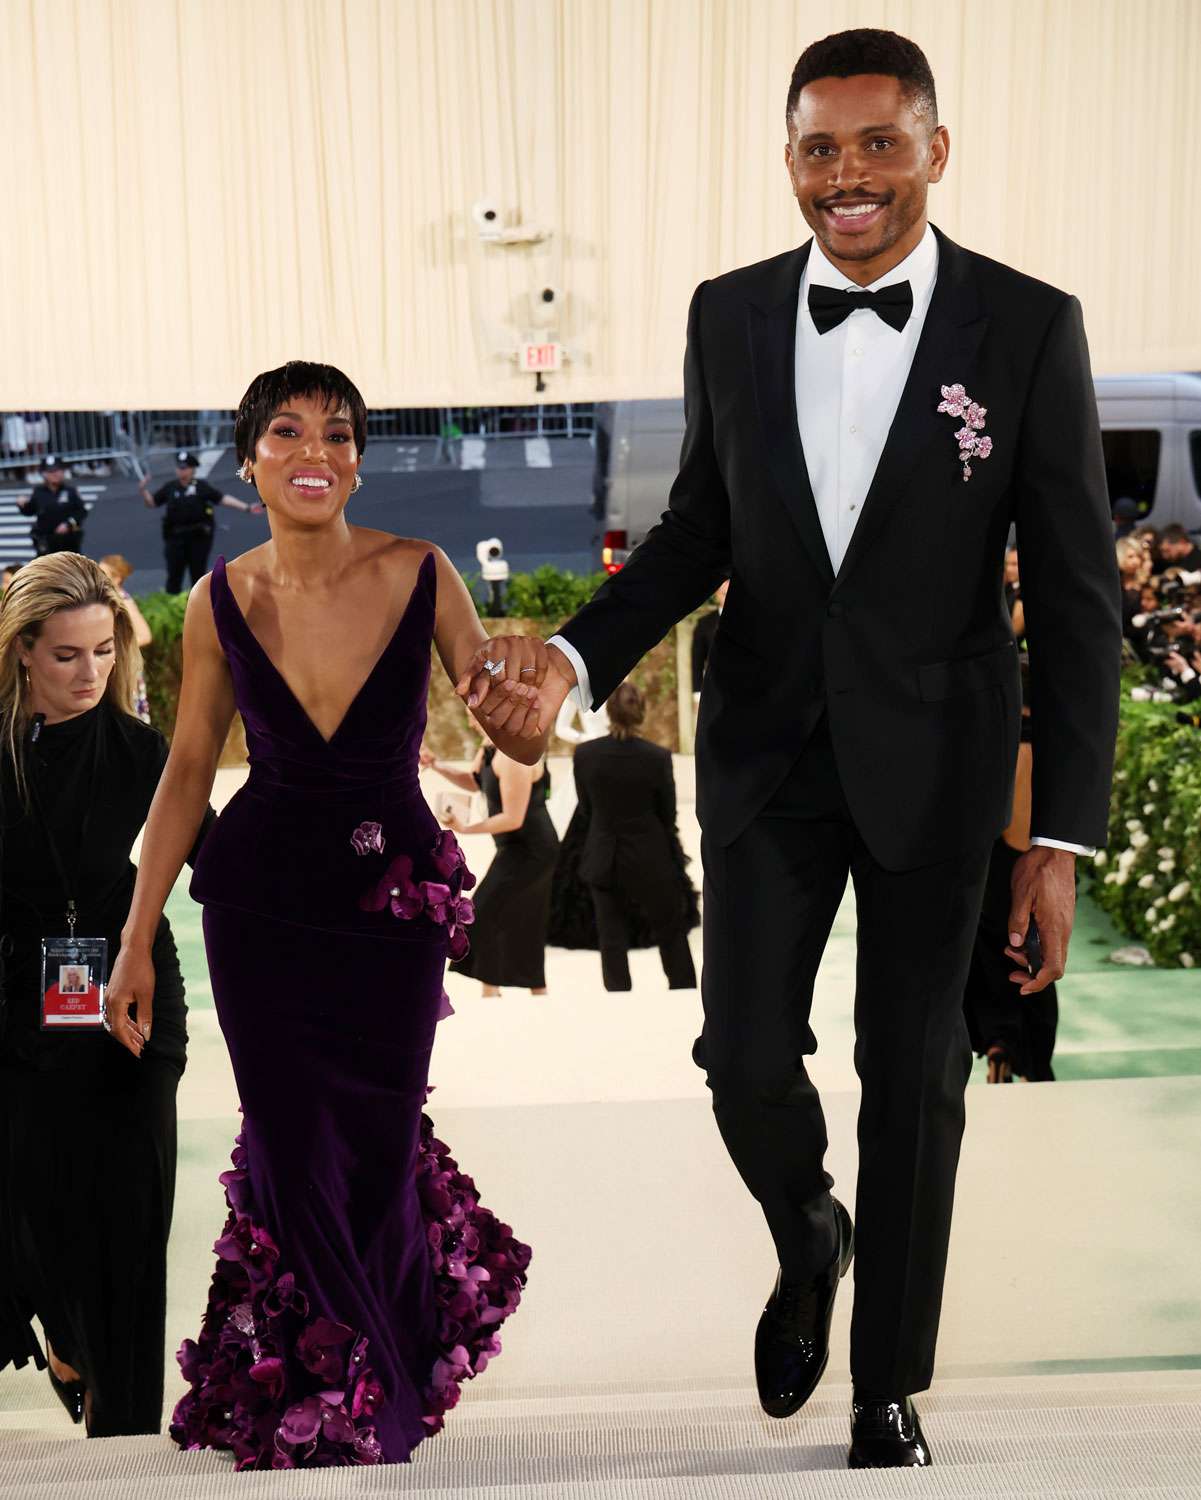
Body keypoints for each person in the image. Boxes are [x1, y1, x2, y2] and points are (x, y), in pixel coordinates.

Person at [460, 29, 1121, 1470]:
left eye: (879, 143)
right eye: (819, 148)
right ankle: (808, 1226)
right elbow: (698, 529)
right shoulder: (730, 314)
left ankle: (887, 1387)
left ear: (935, 151)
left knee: (917, 1068)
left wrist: (1057, 841)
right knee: (741, 1050)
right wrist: (573, 655)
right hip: (764, 750)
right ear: (789, 161)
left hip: (942, 764)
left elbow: (1078, 601)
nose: (848, 176)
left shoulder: (1025, 326)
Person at [104, 362, 531, 1470]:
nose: (315, 451)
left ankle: (376, 1372)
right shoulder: (215, 600)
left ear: (357, 457)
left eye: (337, 434)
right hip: (259, 904)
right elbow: (190, 766)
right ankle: (324, 1395)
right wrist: (137, 935)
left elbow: (508, 730)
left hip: (389, 907)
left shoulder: (423, 571)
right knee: (291, 1146)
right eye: (287, 432)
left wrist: (528, 720)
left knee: (379, 1147)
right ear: (249, 464)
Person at [0, 553, 205, 1436]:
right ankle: (65, 1340)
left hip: (133, 1012)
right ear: (20, 656)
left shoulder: (145, 753)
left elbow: (225, 863)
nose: (91, 675)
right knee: (38, 1232)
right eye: (67, 657)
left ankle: (125, 1446)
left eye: (103, 653)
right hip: (17, 1023)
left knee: (131, 1242)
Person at [963, 657, 1058, 1082]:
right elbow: (1023, 833)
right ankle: (1028, 1059)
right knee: (1033, 962)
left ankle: (998, 1041)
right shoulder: (1042, 742)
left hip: (982, 871)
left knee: (987, 954)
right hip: (1023, 872)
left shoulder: (988, 733)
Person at [572, 681, 697, 992]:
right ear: (641, 712)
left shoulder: (585, 755)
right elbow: (667, 813)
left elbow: (587, 810)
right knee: (671, 932)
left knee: (611, 939)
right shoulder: (657, 757)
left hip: (604, 855)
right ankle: (683, 993)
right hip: (650, 856)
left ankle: (619, 1001)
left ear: (608, 713)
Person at [428, 732, 559, 996]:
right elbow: (474, 782)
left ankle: (494, 991)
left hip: (533, 850)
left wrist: (465, 828)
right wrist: (436, 765)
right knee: (518, 921)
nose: (468, 710)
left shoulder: (514, 755)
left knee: (484, 915)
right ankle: (525, 990)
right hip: (513, 848)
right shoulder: (489, 747)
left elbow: (513, 818)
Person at [139, 450, 258, 594]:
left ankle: (198, 606)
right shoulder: (170, 487)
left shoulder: (201, 487)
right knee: (174, 574)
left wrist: (246, 507)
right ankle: (172, 602)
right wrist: (143, 490)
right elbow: (152, 503)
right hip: (175, 539)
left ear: (192, 469)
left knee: (198, 574)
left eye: (184, 468)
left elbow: (222, 498)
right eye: (179, 467)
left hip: (198, 538)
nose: (181, 471)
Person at [98, 555, 153, 722]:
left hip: (124, 672)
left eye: (103, 573)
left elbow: (145, 635)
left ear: (117, 578)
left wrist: (113, 646)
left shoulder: (123, 601)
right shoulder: (109, 600)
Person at [17, 456, 87, 556]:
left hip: (68, 542)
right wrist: (22, 505)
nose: (54, 474)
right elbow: (30, 511)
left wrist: (68, 524)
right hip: (47, 542)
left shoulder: (70, 491)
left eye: (57, 470)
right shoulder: (38, 491)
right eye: (50, 471)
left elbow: (82, 511)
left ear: (63, 472)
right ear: (44, 474)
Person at [691, 579, 729, 699]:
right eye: (724, 594)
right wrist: (697, 693)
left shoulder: (748, 619)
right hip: (716, 688)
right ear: (717, 595)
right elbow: (697, 660)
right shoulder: (704, 624)